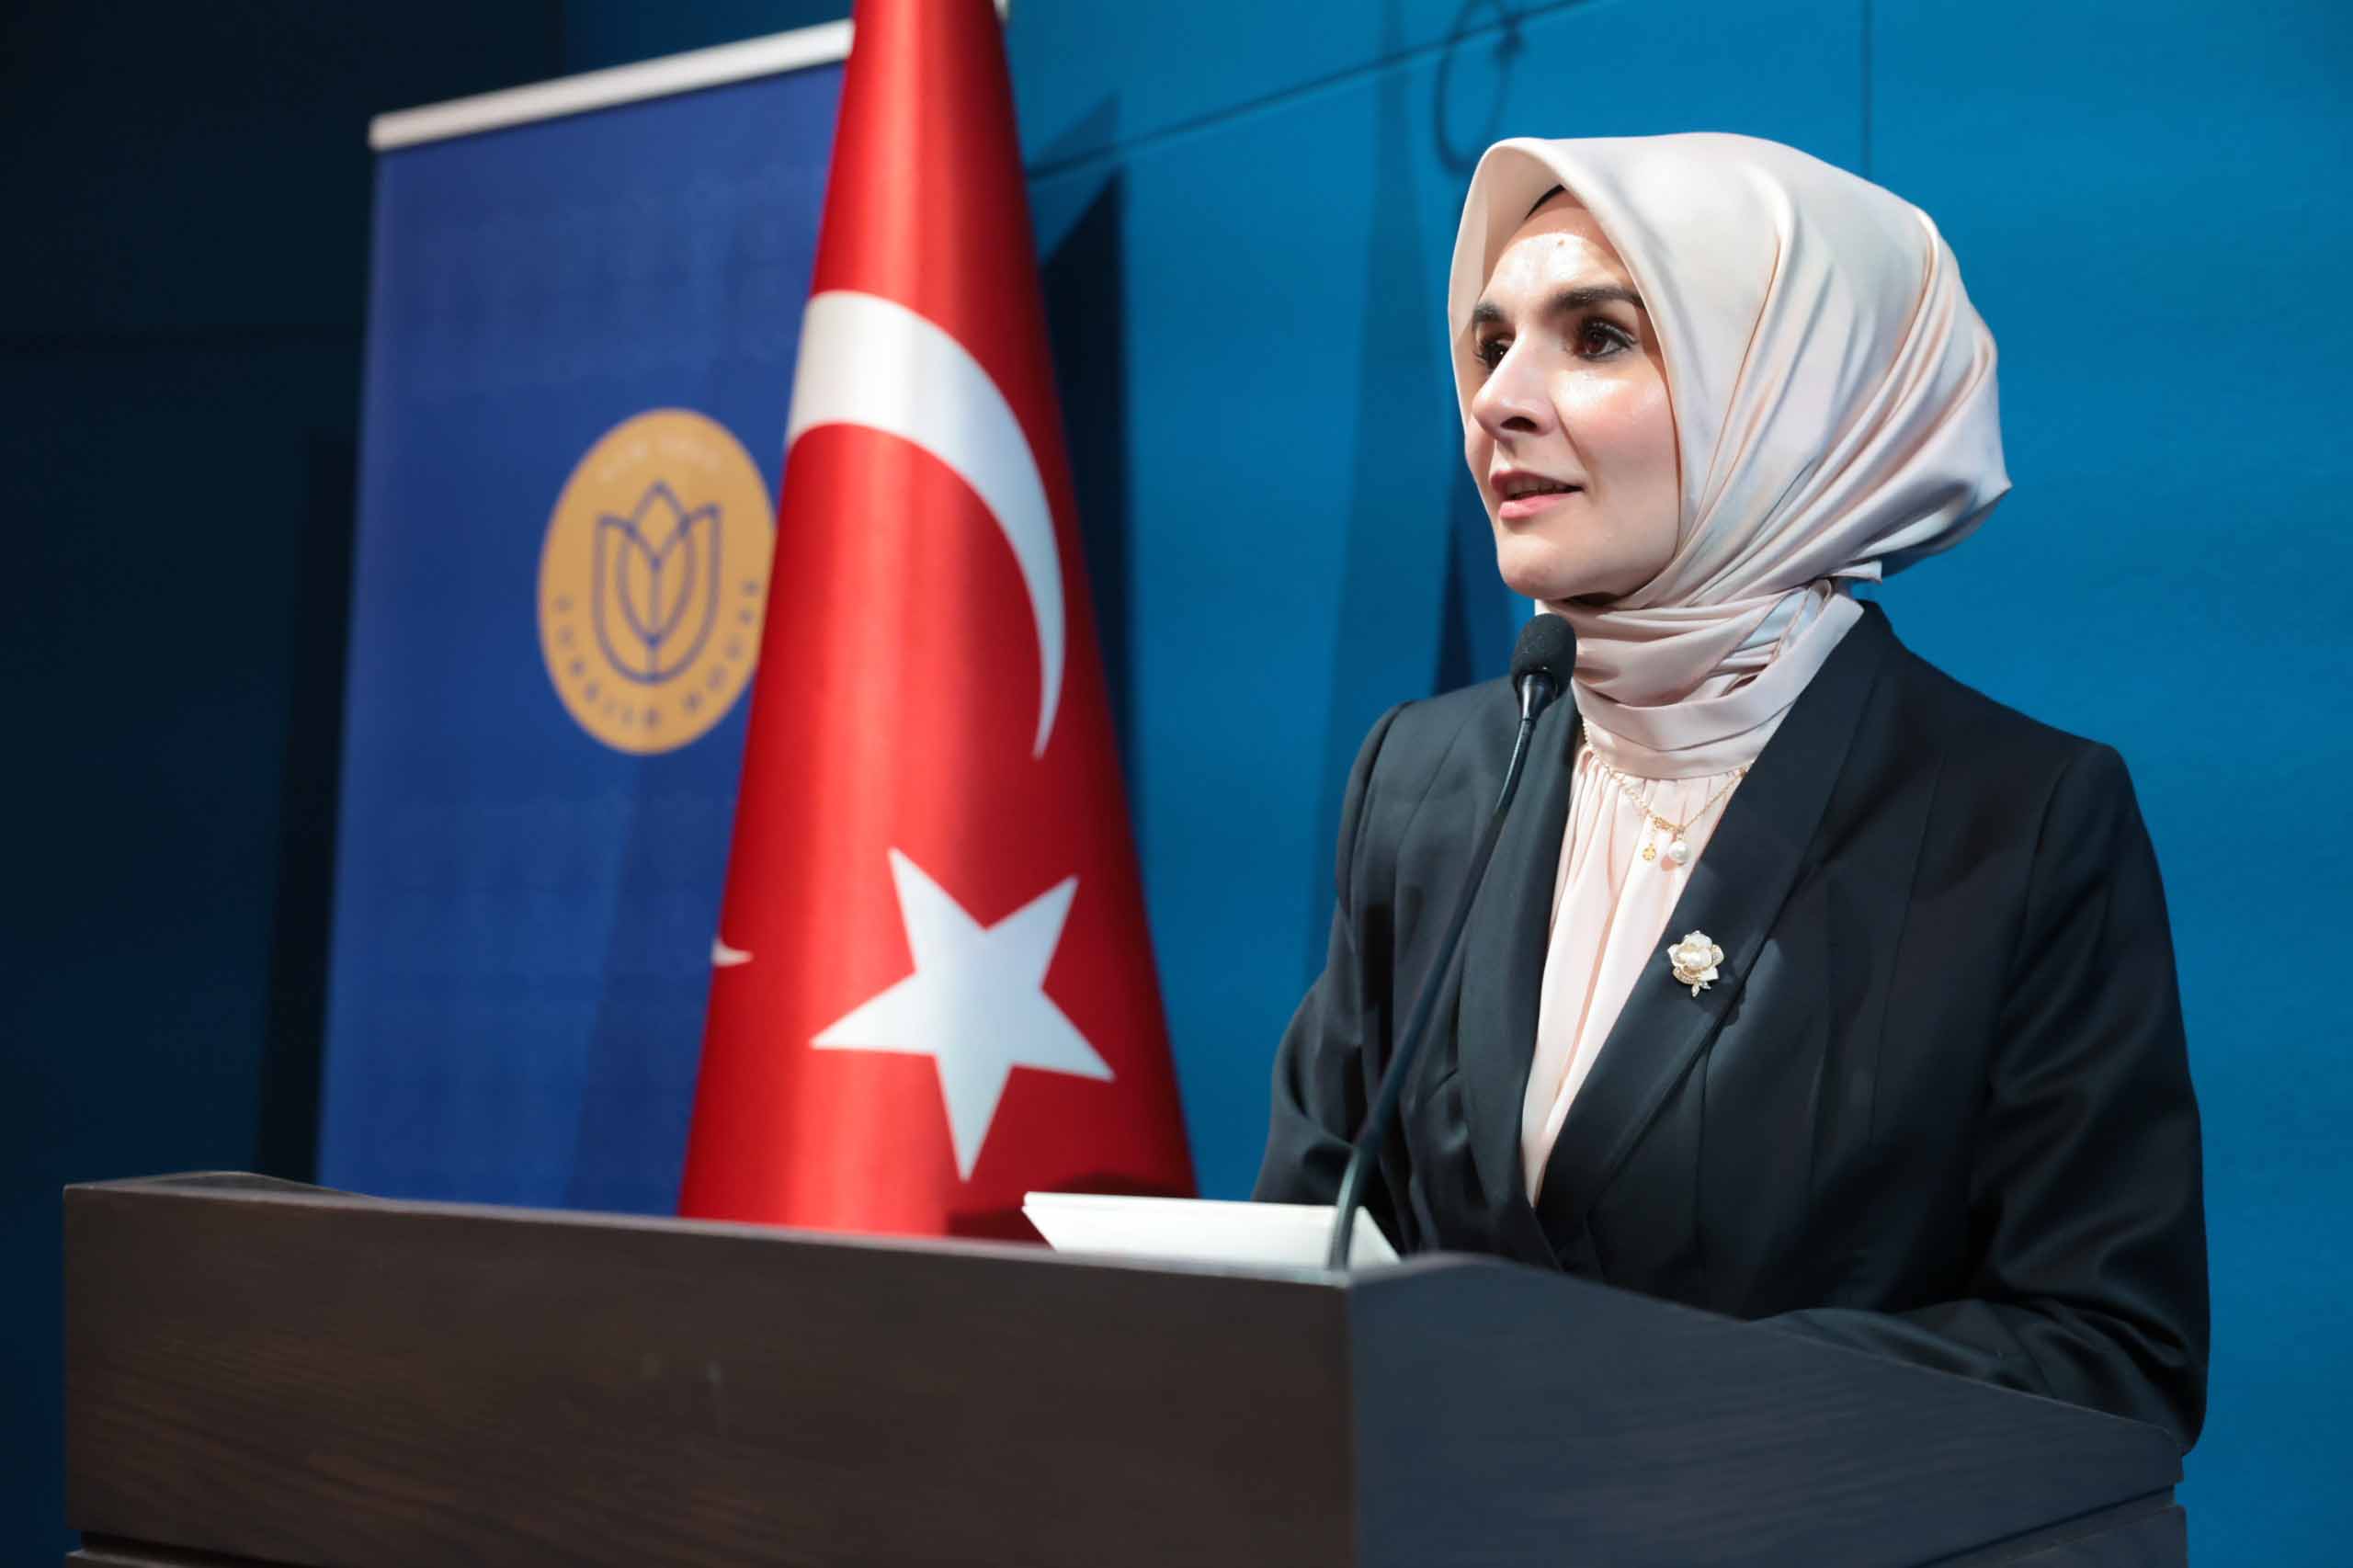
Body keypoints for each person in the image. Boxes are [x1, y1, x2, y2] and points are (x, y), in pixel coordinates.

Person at [1251, 132, 2208, 1449]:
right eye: (1491, 342)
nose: (1497, 400)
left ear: (1785, 398)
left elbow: (2108, 1355)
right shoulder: (1421, 778)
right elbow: (1313, 1242)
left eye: (1597, 337)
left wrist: (1637, 1398)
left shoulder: (2020, 820)